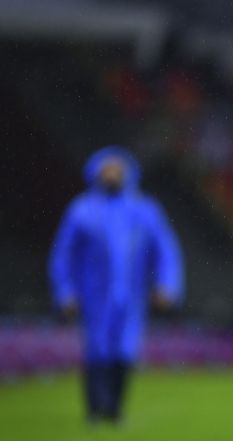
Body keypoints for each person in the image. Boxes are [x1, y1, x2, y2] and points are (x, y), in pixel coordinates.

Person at [48, 146, 184, 425]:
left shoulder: (145, 210)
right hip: (93, 295)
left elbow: (165, 251)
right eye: (106, 169)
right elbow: (63, 255)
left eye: (116, 169)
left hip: (132, 295)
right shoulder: (82, 211)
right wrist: (66, 291)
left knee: (125, 348)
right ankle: (95, 408)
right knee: (96, 348)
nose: (111, 175)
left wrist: (166, 285)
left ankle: (114, 407)